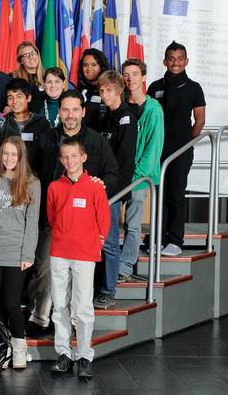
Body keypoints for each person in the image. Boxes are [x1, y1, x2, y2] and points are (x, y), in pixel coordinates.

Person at [26, 90, 118, 337]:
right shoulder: (46, 139)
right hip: (52, 222)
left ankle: (75, 323)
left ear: (83, 112)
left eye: (75, 109)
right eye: (65, 109)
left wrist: (102, 184)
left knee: (79, 279)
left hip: (84, 227)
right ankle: (40, 317)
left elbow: (112, 174)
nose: (70, 115)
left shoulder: (97, 142)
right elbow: (33, 173)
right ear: (60, 112)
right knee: (44, 269)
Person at [48, 137, 110, 377]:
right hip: (59, 253)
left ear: (84, 157)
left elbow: (103, 220)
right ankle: (64, 354)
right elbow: (52, 218)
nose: (69, 160)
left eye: (74, 156)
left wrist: (95, 242)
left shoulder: (95, 187)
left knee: (82, 307)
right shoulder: (55, 187)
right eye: (65, 157)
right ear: (60, 160)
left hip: (84, 254)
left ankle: (84, 355)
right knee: (59, 305)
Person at [0, 137, 40, 369]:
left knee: (12, 303)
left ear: (21, 156)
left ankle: (19, 347)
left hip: (17, 253)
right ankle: (1, 348)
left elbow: (32, 223)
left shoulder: (32, 183)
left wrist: (28, 254)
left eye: (14, 154)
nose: (9, 158)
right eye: (5, 153)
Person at [147, 41, 206, 256]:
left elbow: (200, 120)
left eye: (180, 59)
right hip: (157, 150)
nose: (175, 63)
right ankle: (158, 237)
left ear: (186, 61)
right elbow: (148, 117)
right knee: (158, 194)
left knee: (176, 195)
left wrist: (187, 144)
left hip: (181, 150)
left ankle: (174, 240)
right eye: (171, 59)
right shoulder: (155, 87)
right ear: (165, 61)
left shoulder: (193, 88)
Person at [94, 71, 138, 309]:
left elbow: (124, 161)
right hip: (99, 189)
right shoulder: (106, 117)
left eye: (109, 90)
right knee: (97, 242)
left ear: (119, 91)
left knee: (109, 243)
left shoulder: (126, 119)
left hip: (112, 192)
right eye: (101, 90)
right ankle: (98, 287)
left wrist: (111, 193)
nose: (104, 94)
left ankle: (108, 291)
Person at [119, 59, 164, 281]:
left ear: (144, 77)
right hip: (119, 174)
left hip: (139, 176)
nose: (130, 79)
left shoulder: (154, 110)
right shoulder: (120, 106)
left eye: (135, 74)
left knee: (132, 223)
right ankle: (107, 264)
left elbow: (153, 149)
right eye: (126, 75)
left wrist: (135, 175)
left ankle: (125, 266)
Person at [0, 78, 51, 169]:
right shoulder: (2, 123)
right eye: (10, 98)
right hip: (8, 174)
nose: (14, 101)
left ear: (29, 98)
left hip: (33, 174)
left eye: (19, 96)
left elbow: (47, 155)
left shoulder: (41, 123)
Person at [77, 49, 109, 132]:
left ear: (101, 66)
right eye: (85, 65)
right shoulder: (78, 91)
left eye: (93, 65)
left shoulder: (109, 91)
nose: (89, 68)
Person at [12, 41, 45, 114]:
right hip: (25, 118)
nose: (31, 57)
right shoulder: (14, 78)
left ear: (37, 55)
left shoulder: (47, 77)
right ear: (21, 61)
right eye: (26, 55)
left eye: (33, 53)